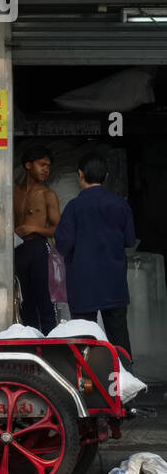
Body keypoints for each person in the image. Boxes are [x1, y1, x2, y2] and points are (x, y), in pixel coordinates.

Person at [54, 151, 137, 363]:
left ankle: (88, 386)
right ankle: (125, 385)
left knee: (85, 338)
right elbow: (129, 240)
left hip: (83, 283)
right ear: (106, 177)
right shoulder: (120, 205)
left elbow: (63, 244)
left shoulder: (74, 207)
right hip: (114, 282)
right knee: (118, 337)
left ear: (80, 175)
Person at [13, 142, 60, 333]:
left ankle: (52, 344)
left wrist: (34, 228)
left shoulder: (48, 194)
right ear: (28, 165)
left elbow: (58, 229)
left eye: (48, 166)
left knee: (45, 300)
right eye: (42, 165)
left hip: (39, 249)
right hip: (18, 250)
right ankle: (31, 345)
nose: (46, 170)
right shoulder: (13, 192)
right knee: (25, 301)